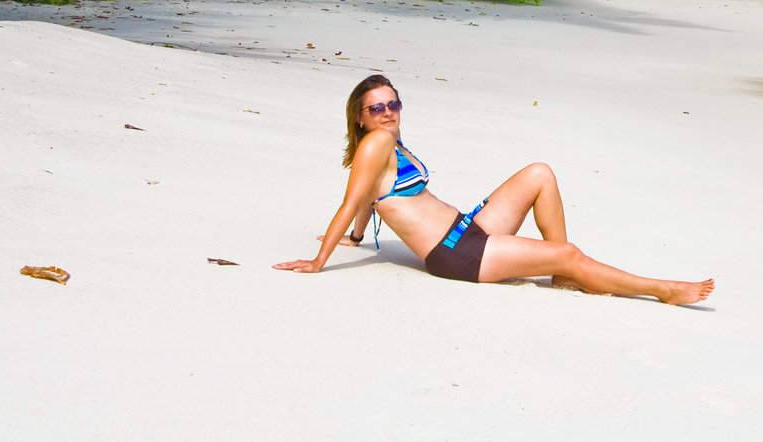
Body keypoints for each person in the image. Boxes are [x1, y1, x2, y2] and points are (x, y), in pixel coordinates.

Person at [273, 74, 714, 306]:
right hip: (456, 255)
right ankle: (661, 289)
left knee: (539, 173)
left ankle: (564, 276)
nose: (389, 112)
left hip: (468, 228)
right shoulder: (377, 143)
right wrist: (318, 261)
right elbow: (352, 199)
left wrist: (355, 237)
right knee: (570, 252)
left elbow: (368, 200)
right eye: (378, 108)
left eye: (394, 103)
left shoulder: (388, 143)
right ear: (361, 117)